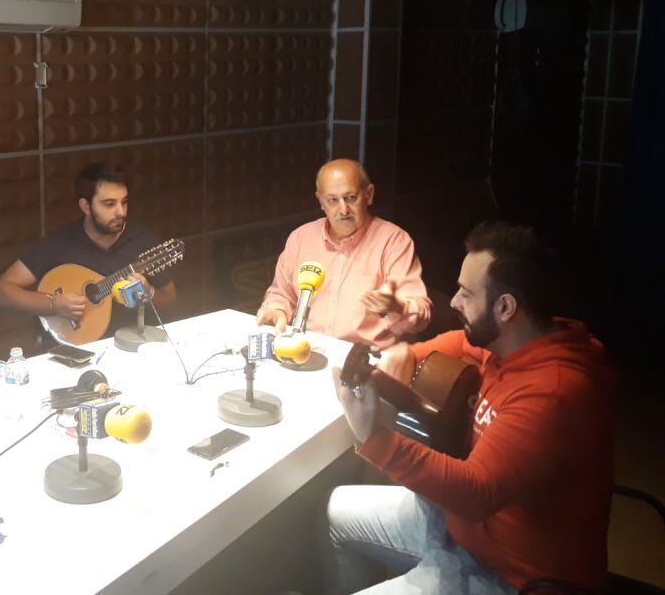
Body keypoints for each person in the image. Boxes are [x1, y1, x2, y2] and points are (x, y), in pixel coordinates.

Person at [325, 222, 613, 594]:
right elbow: (462, 342)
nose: (454, 302)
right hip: (464, 530)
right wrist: (406, 354)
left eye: (465, 293)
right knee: (335, 509)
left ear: (505, 307)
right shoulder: (516, 341)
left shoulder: (554, 392)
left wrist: (373, 437)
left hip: (511, 574)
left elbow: (476, 493)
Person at [0, 162, 176, 345]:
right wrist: (54, 305)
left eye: (124, 202)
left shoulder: (142, 240)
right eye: (109, 204)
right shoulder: (59, 243)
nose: (121, 212)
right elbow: (1, 292)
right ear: (86, 206)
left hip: (129, 346)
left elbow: (170, 300)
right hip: (74, 351)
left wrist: (148, 292)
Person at [256, 159, 431, 348]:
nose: (343, 209)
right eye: (333, 200)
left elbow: (422, 314)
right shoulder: (301, 238)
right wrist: (276, 311)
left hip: (367, 361)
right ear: (320, 201)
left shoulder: (394, 241)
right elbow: (282, 294)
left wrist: (397, 306)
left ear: (369, 195)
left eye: (350, 198)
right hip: (307, 350)